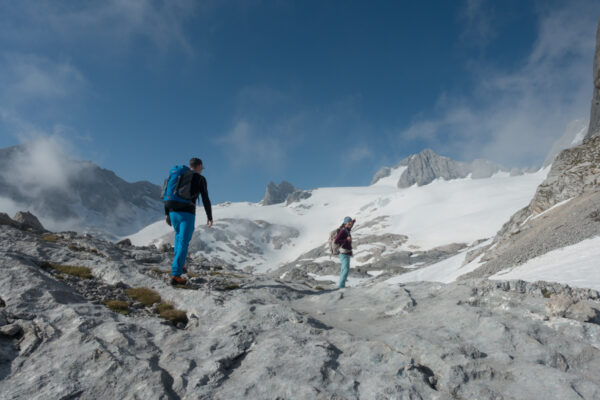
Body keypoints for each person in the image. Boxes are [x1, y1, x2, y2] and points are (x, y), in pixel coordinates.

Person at [164, 157, 213, 285]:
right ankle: (176, 275)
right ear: (199, 166)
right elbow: (205, 198)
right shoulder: (199, 178)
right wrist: (209, 217)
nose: (202, 170)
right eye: (202, 168)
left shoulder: (177, 175)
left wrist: (167, 214)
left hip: (173, 211)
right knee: (184, 243)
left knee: (178, 238)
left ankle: (180, 265)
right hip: (187, 213)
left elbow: (167, 192)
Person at [334, 216, 355, 289]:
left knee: (344, 269)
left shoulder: (347, 230)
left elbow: (350, 226)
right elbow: (336, 241)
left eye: (351, 222)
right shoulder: (343, 231)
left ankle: (341, 285)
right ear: (345, 223)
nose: (350, 223)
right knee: (345, 270)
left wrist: (354, 222)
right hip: (344, 253)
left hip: (346, 252)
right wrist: (346, 240)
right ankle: (341, 286)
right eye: (349, 222)